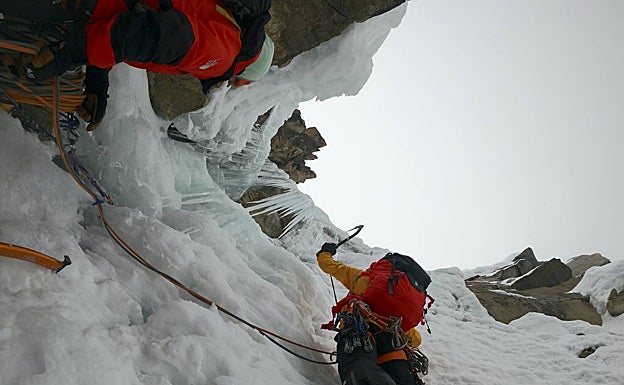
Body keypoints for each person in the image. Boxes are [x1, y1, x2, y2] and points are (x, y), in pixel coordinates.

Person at [0, 0, 274, 130]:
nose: (230, 85)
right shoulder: (223, 55)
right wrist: (64, 56)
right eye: (239, 81)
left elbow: (134, 26)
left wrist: (97, 81)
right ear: (243, 70)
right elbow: (140, 35)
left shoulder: (224, 27)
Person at [316, 242, 426, 385]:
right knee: (404, 377)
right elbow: (415, 339)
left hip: (359, 332)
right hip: (392, 341)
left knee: (361, 369)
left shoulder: (366, 280)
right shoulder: (398, 312)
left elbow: (329, 265)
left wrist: (325, 252)